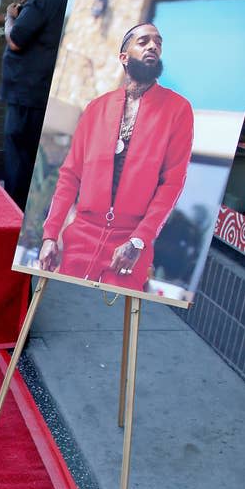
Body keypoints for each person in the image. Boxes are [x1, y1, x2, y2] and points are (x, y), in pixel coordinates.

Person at [38, 23, 193, 291]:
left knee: (115, 312)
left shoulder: (177, 109)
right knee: (68, 305)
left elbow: (172, 183)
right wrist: (50, 236)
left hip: (131, 242)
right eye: (143, 41)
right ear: (124, 57)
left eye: (158, 42)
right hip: (81, 234)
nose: (153, 46)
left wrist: (139, 240)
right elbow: (70, 175)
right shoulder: (97, 108)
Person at [0, 0, 65, 209]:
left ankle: (15, 207)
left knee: (19, 153)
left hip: (27, 93)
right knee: (28, 153)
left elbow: (15, 40)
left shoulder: (43, 1)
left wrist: (9, 18)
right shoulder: (56, 1)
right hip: (36, 89)